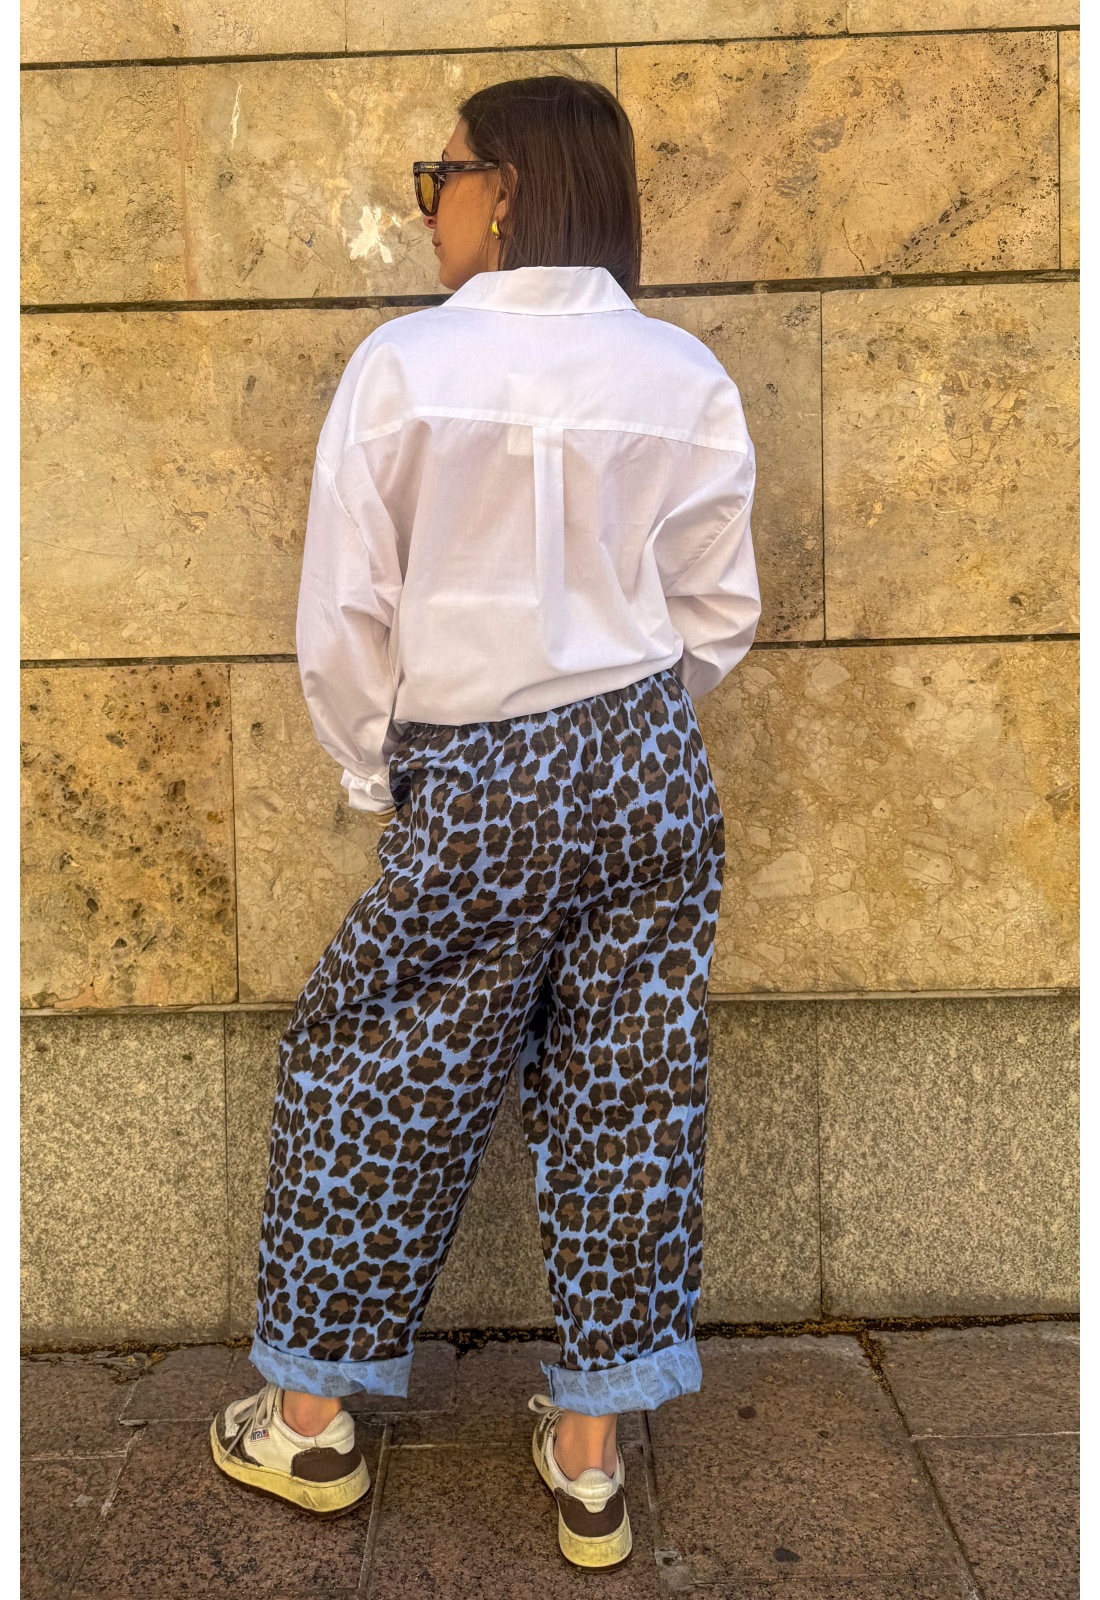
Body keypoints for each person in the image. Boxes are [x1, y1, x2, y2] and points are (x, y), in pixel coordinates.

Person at [210, 73, 760, 1572]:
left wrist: (373, 772)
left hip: (478, 771)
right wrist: (622, 717)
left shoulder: (405, 367)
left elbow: (347, 612)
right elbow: (718, 611)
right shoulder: (682, 375)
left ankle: (311, 1423)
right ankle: (591, 1458)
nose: (426, 205)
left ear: (506, 187)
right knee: (631, 1083)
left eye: (437, 175)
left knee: (379, 1058)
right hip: (647, 765)